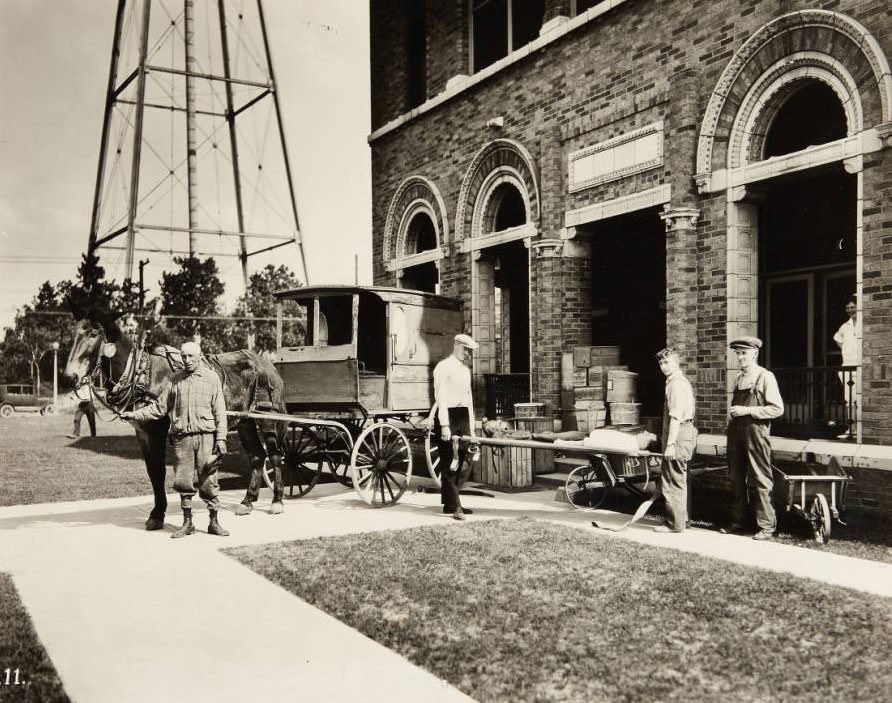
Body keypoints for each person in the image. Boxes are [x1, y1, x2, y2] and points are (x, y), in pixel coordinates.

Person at [121, 340, 230, 538]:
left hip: (206, 437)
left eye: (190, 356)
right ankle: (187, 523)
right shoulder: (174, 380)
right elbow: (159, 408)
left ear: (199, 356)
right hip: (182, 440)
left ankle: (214, 522)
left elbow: (220, 412)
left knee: (209, 481)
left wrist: (221, 439)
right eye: (184, 356)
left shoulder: (212, 379)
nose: (187, 360)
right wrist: (134, 415)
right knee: (183, 482)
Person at [724, 336, 784, 541]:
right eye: (738, 353)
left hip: (756, 434)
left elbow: (777, 409)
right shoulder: (738, 378)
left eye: (744, 353)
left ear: (755, 353)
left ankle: (766, 526)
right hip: (736, 434)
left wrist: (747, 410)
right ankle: (738, 522)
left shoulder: (765, 377)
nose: (740, 357)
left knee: (760, 478)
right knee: (736, 478)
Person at [432, 333, 478, 521]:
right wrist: (444, 425)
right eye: (466, 350)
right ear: (458, 346)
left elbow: (469, 401)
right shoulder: (444, 368)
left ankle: (450, 502)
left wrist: (472, 428)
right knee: (449, 461)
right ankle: (455, 505)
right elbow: (440, 398)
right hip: (448, 416)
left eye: (470, 351)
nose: (468, 354)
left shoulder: (465, 371)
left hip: (463, 417)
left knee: (466, 458)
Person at [653, 347, 697, 533]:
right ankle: (682, 519)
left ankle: (675, 524)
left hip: (679, 435)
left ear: (676, 362)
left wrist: (670, 444)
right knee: (677, 478)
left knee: (673, 479)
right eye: (661, 363)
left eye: (667, 362)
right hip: (681, 433)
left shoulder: (677, 384)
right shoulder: (673, 382)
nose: (663, 366)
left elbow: (676, 417)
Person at [832, 297, 859, 438]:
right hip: (847, 366)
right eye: (848, 308)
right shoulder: (845, 326)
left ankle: (860, 430)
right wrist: (846, 351)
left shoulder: (863, 323)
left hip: (859, 366)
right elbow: (838, 340)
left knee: (860, 399)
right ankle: (851, 429)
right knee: (850, 399)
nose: (850, 310)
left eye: (852, 307)